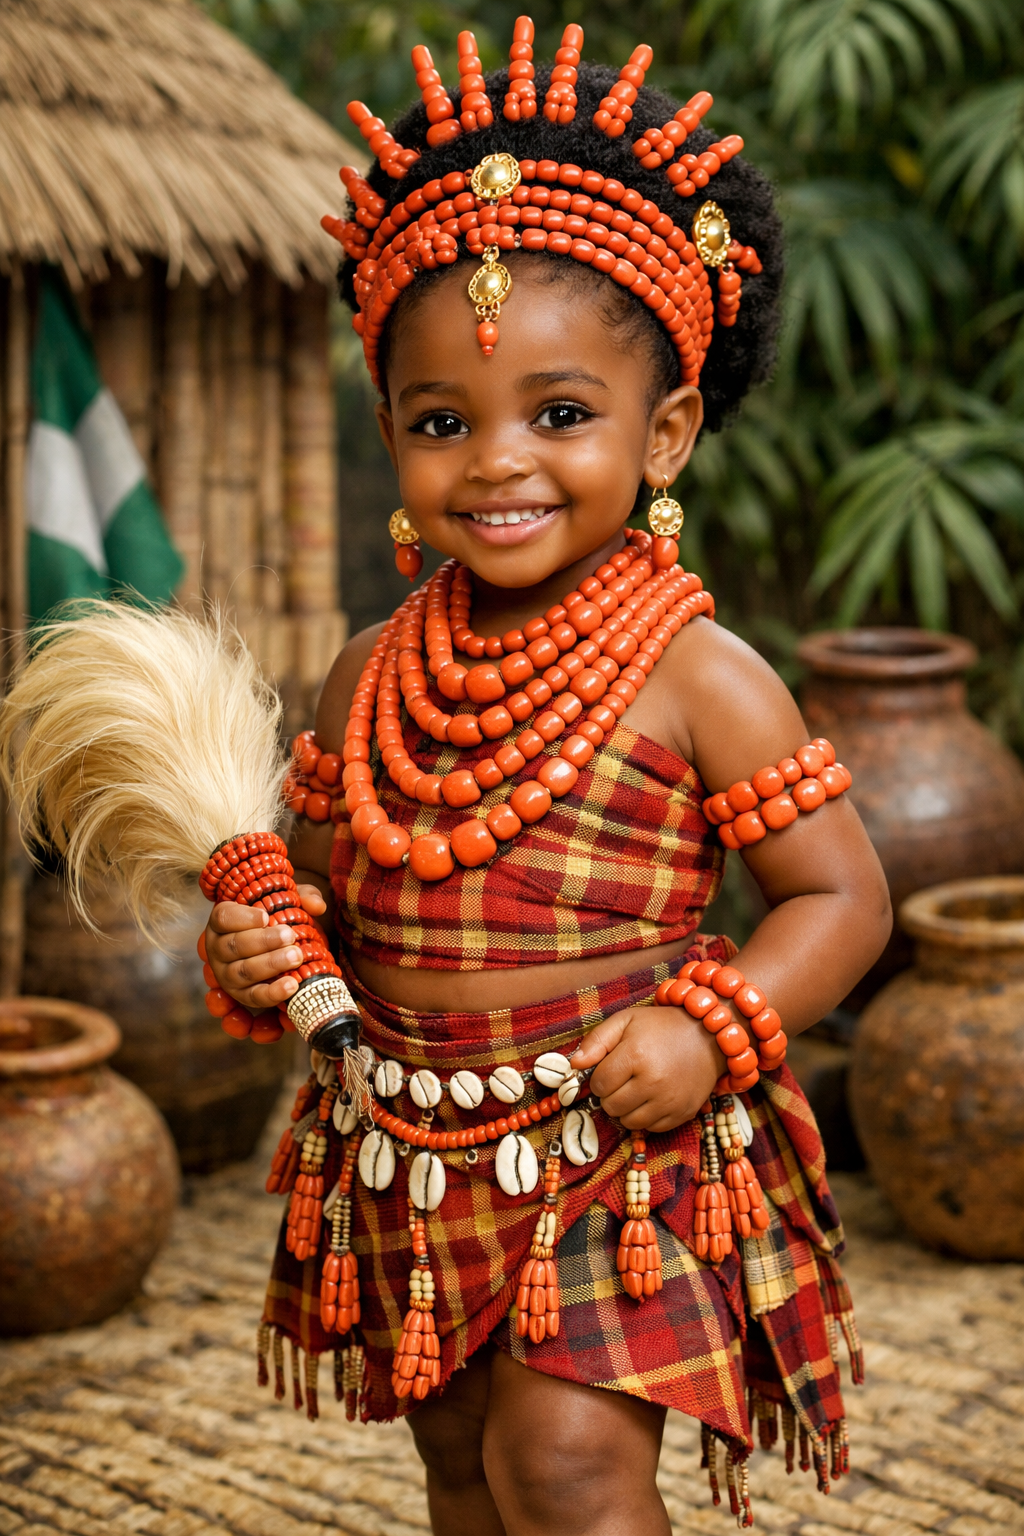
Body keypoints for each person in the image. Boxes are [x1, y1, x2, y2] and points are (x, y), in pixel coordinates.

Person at [203, 24, 891, 1536]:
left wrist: (717, 1027)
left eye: (560, 416)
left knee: (566, 1469)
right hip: (411, 1142)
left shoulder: (701, 677)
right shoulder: (367, 673)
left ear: (667, 432)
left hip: (619, 1149)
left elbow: (844, 895)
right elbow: (322, 900)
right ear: (390, 435)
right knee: (458, 1463)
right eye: (444, 422)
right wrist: (269, 946)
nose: (499, 460)